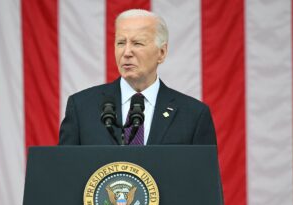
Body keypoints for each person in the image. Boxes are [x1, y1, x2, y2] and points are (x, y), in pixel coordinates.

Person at [58, 9, 217, 145]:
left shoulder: (193, 115)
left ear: (161, 53)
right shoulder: (81, 108)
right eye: (121, 43)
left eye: (137, 43)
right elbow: (65, 172)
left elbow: (204, 179)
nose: (126, 52)